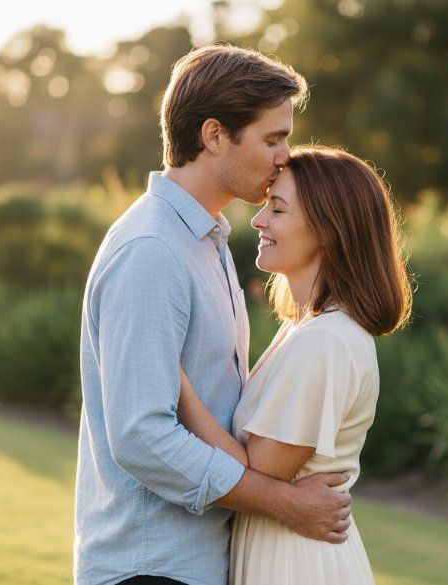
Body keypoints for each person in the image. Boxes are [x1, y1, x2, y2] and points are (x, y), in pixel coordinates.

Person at [74, 45, 353, 585]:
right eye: (272, 138)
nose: (285, 156)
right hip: (152, 568)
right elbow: (142, 435)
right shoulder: (151, 249)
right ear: (214, 135)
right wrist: (283, 502)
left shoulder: (207, 239)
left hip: (194, 566)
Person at [176, 145, 414, 584]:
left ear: (328, 229)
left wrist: (174, 380)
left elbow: (256, 473)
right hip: (282, 550)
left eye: (278, 209)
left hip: (297, 563)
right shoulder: (305, 330)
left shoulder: (325, 340)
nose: (258, 221)